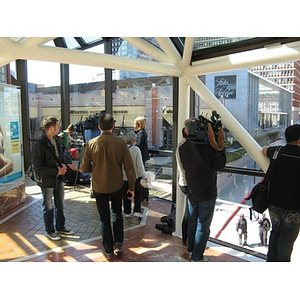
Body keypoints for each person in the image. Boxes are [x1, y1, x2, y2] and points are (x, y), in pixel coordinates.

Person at [80, 113, 136, 260]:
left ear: (99, 127)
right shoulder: (121, 143)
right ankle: (118, 245)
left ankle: (108, 249)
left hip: (98, 186)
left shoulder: (91, 143)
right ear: (113, 126)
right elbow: (129, 169)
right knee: (117, 214)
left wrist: (97, 169)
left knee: (104, 218)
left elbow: (84, 168)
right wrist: (131, 188)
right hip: (117, 185)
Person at [178, 117, 226, 261]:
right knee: (203, 226)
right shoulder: (207, 147)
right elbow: (220, 164)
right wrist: (219, 145)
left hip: (192, 191)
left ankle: (192, 248)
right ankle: (197, 257)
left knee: (193, 221)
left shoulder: (183, 147)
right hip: (207, 192)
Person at [262, 124, 300, 261]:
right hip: (294, 207)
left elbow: (263, 150)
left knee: (275, 234)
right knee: (287, 241)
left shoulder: (277, 151)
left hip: (274, 203)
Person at [32, 116, 74, 241]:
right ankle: (50, 230)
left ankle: (61, 227)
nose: (59, 128)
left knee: (60, 204)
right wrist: (57, 171)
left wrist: (64, 166)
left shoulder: (57, 139)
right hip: (47, 179)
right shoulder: (39, 144)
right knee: (48, 205)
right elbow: (38, 166)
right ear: (51, 128)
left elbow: (60, 156)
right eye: (57, 126)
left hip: (59, 177)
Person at [122, 131, 147, 219]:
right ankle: (137, 211)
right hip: (135, 176)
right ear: (134, 140)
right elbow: (139, 164)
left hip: (124, 177)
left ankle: (127, 211)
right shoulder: (136, 149)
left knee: (126, 195)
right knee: (137, 193)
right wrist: (144, 175)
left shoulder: (122, 149)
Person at [134, 117, 150, 201]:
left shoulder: (140, 134)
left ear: (139, 125)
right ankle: (145, 195)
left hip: (141, 157)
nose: (134, 126)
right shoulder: (142, 133)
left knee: (141, 176)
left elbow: (138, 145)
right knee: (142, 176)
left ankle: (143, 195)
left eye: (135, 124)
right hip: (142, 157)